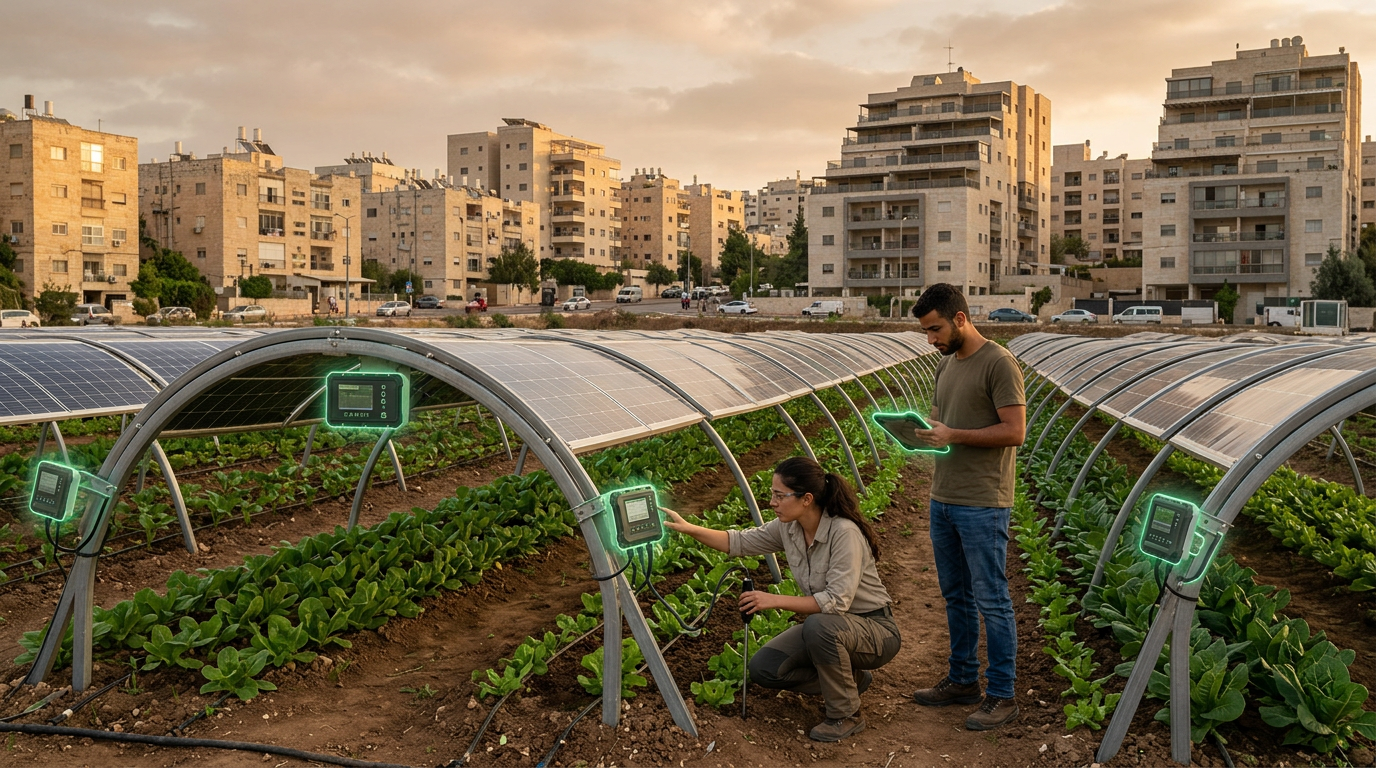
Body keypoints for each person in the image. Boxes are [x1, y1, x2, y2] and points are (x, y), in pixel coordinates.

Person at [662, 456, 900, 743]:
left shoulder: (843, 533)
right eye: (771, 494)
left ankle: (845, 714)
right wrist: (689, 528)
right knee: (765, 668)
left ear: (806, 499)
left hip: (874, 631)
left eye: (779, 495)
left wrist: (772, 600)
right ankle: (852, 681)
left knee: (819, 626)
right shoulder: (788, 527)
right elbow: (738, 542)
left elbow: (836, 602)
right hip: (832, 628)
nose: (772, 502)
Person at [908, 282, 1026, 731]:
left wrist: (953, 435)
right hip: (944, 497)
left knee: (991, 599)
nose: (931, 339)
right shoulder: (947, 366)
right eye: (925, 331)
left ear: (960, 318)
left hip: (983, 502)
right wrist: (923, 433)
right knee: (956, 596)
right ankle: (962, 681)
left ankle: (1002, 693)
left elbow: (1015, 432)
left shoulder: (998, 363)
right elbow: (943, 423)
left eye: (935, 329)